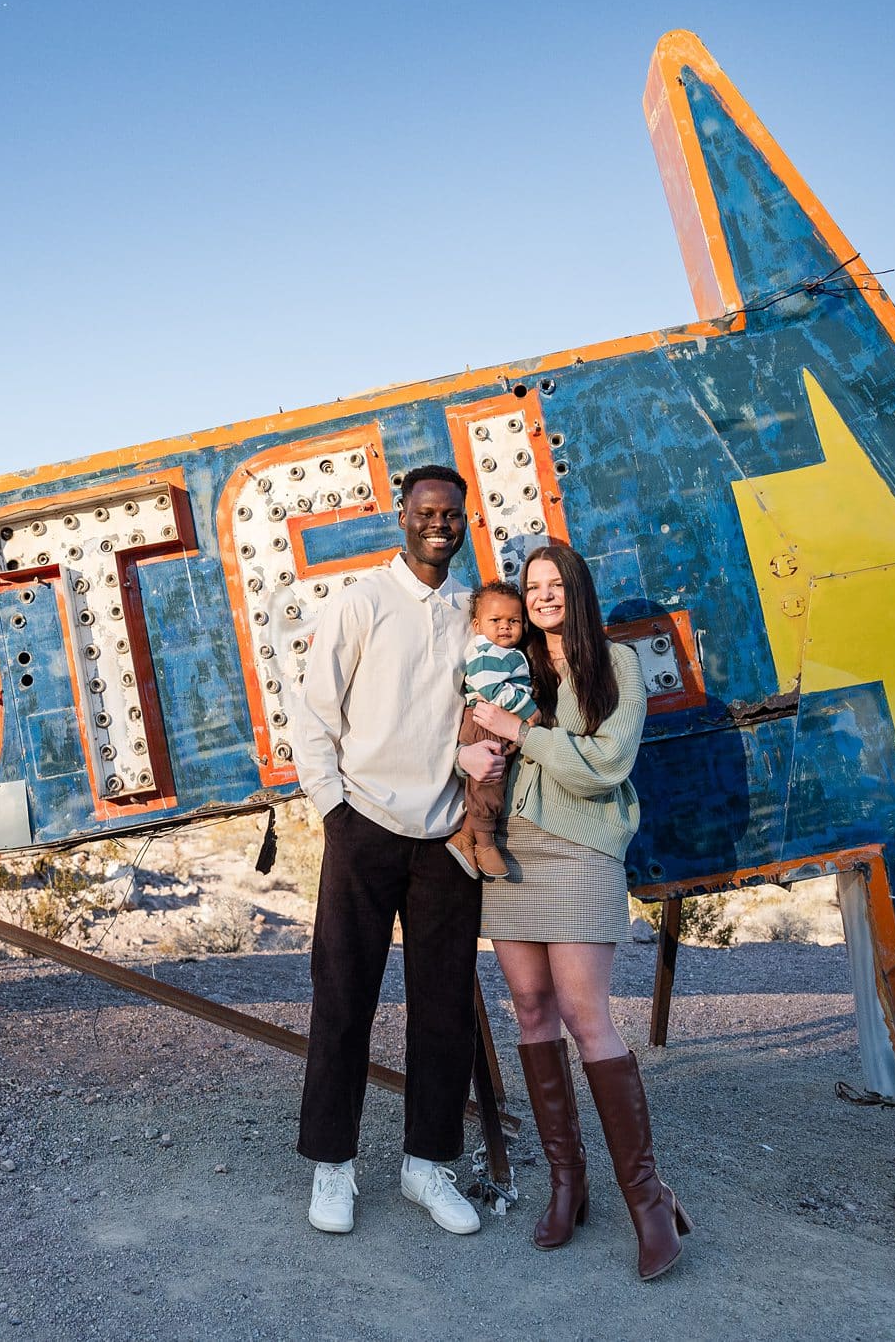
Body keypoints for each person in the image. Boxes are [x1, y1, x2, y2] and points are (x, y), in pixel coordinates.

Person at [290, 463, 506, 1237]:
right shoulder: (362, 601)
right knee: (344, 999)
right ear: (402, 516)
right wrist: (333, 811)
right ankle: (333, 1167)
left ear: (464, 519)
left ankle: (426, 1165)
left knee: (443, 1008)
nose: (439, 524)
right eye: (426, 512)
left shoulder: (473, 610)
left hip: (445, 837)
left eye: (452, 513)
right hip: (365, 825)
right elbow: (314, 712)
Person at [467, 543, 692, 1279]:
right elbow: (469, 725)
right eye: (531, 586)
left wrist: (521, 732)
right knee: (530, 1008)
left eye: (553, 582)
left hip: (582, 850)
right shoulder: (510, 660)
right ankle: (569, 1184)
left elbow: (604, 766)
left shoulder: (616, 664)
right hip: (511, 850)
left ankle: (648, 1202)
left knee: (585, 1012)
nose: (541, 596)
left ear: (577, 587)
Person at [448, 582, 543, 880]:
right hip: (483, 724)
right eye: (495, 620)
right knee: (489, 782)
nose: (505, 627)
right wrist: (528, 709)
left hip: (493, 723)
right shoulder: (486, 652)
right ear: (477, 625)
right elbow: (492, 689)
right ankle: (485, 843)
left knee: (490, 781)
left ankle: (464, 838)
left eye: (513, 621)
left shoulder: (505, 652)